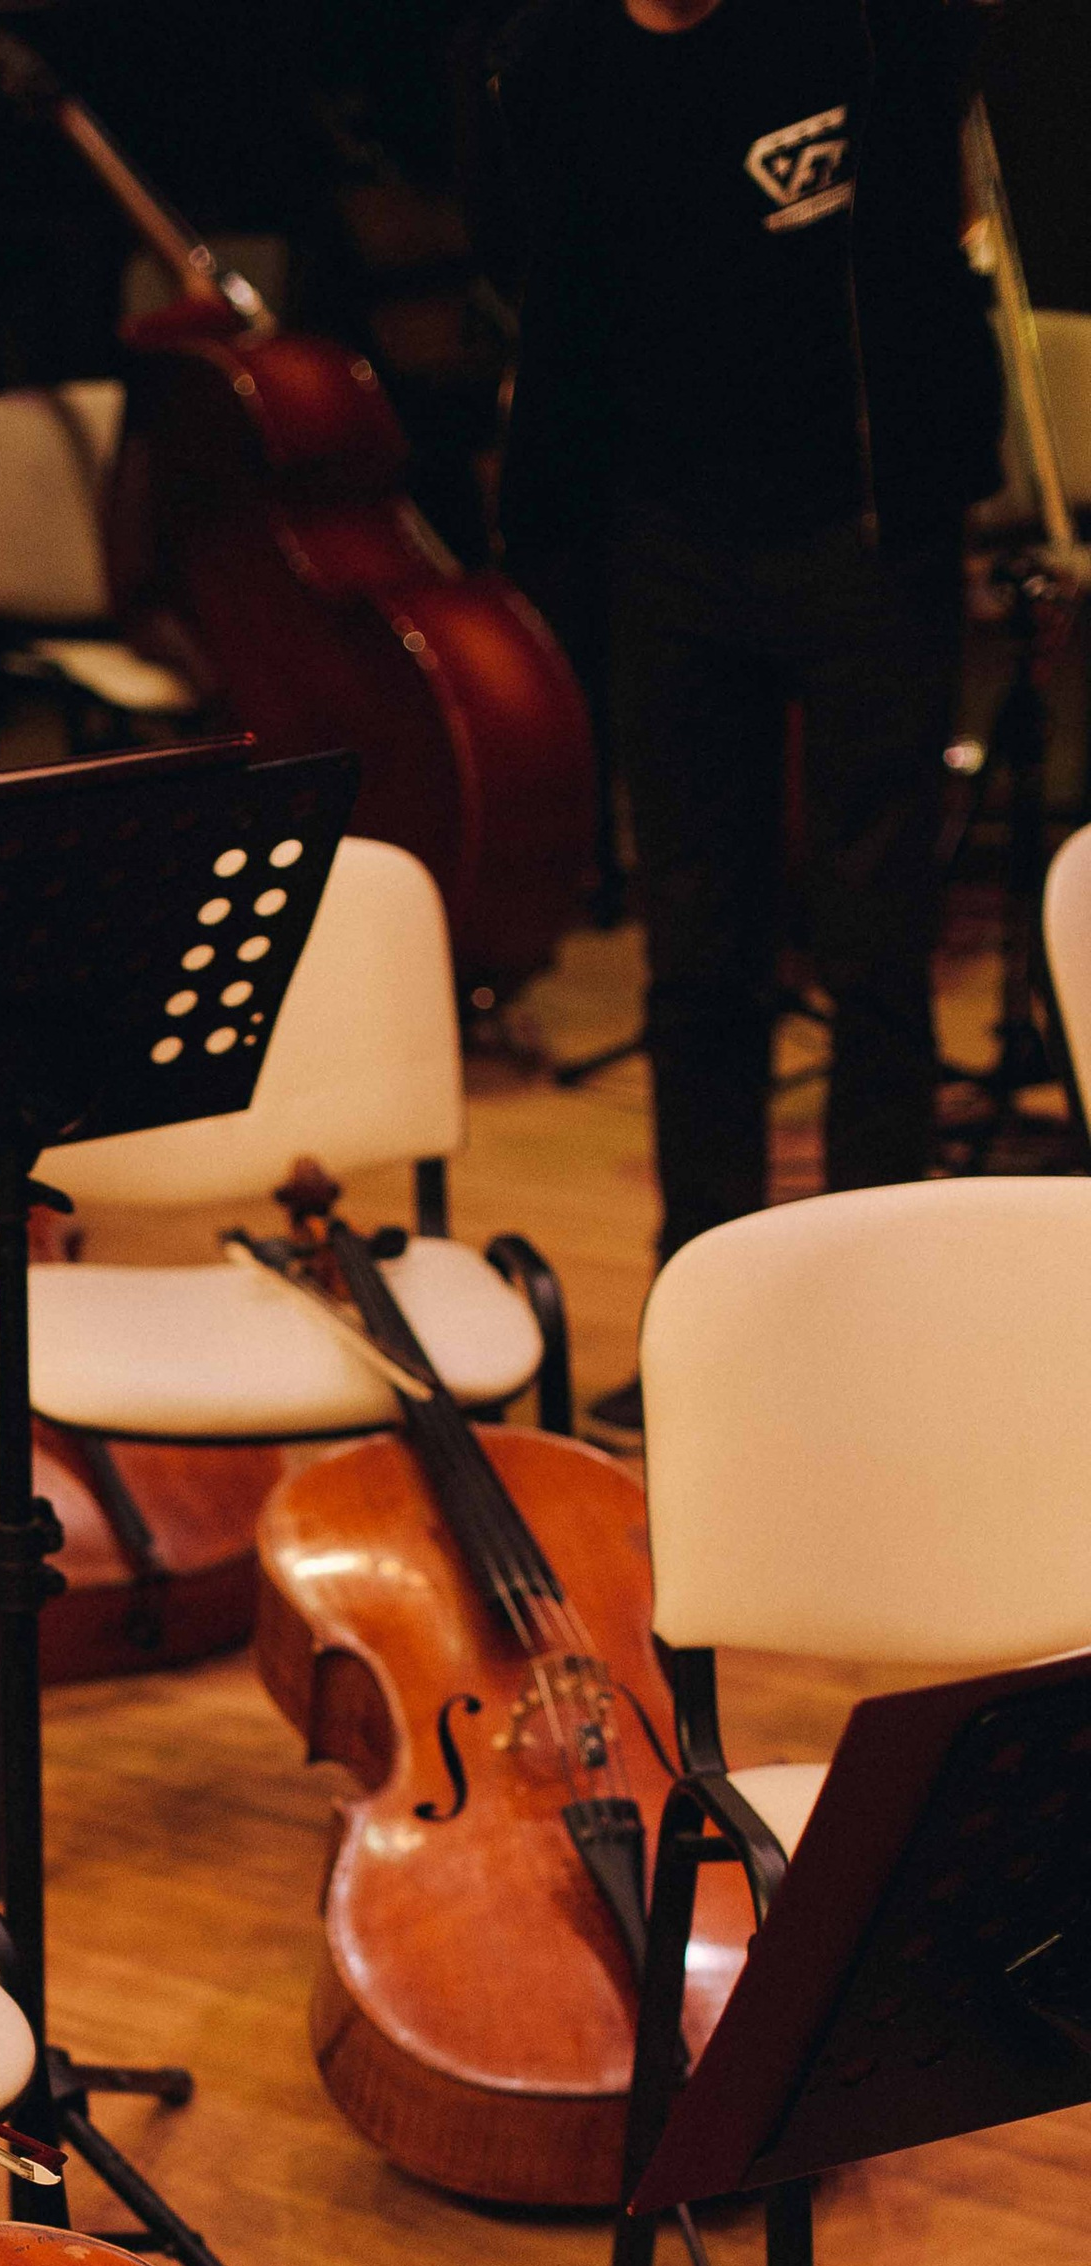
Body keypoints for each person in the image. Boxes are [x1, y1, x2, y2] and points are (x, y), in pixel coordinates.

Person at [482, 0, 1003, 1424]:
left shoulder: (857, 34)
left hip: (859, 529)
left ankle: (877, 1331)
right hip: (669, 545)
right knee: (696, 957)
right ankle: (709, 1333)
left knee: (872, 949)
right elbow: (546, 278)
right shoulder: (570, 60)